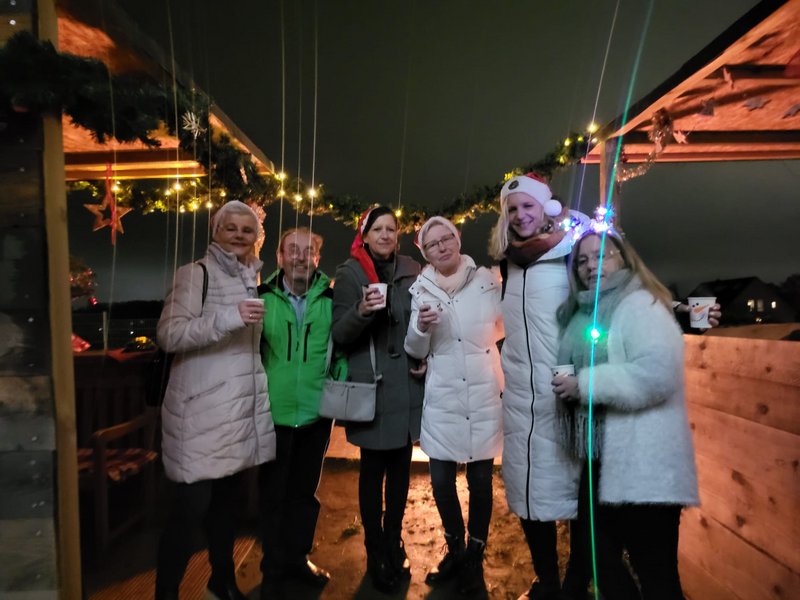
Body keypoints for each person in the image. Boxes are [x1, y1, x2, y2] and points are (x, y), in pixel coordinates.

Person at [552, 227, 699, 600]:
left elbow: (658, 374)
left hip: (644, 464)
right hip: (600, 456)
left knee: (656, 574)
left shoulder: (640, 306)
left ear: (625, 259)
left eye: (602, 255)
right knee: (599, 557)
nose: (591, 265)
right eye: (582, 260)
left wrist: (585, 385)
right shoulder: (582, 313)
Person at [154, 200, 276, 600]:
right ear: (215, 230)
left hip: (235, 414)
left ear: (256, 236)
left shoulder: (250, 278)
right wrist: (230, 317)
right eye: (231, 228)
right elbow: (169, 334)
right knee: (188, 511)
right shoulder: (195, 274)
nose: (240, 235)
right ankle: (166, 593)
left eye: (247, 229)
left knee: (226, 507)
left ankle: (222, 581)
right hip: (200, 415)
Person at [489, 173, 591, 600]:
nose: (520, 215)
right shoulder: (506, 263)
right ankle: (547, 582)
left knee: (579, 500)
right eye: (512, 209)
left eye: (528, 205)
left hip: (565, 396)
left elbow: (608, 303)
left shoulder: (573, 254)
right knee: (529, 494)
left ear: (547, 207)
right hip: (521, 401)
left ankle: (576, 584)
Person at [404, 216, 504, 595]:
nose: (442, 246)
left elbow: (502, 326)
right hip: (443, 394)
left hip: (482, 392)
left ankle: (474, 555)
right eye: (433, 244)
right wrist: (421, 328)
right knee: (442, 482)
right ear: (424, 252)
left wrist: (482, 352)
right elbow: (415, 349)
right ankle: (455, 549)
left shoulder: (486, 281)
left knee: (480, 482)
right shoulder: (421, 290)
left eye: (446, 238)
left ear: (458, 239)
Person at [331, 206, 425, 593]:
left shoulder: (412, 270)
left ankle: (393, 540)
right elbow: (340, 334)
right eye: (377, 229)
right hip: (372, 387)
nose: (385, 235)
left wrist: (425, 352)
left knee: (401, 470)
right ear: (365, 235)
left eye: (391, 229)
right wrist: (361, 310)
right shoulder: (350, 273)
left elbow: (420, 323)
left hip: (406, 386)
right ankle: (374, 549)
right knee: (372, 472)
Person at [257, 228, 344, 598]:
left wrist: (335, 383)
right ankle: (272, 567)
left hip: (315, 413)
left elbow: (342, 349)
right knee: (272, 494)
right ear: (279, 257)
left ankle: (298, 559)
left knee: (305, 493)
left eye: (309, 251)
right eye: (292, 249)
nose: (300, 257)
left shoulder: (332, 299)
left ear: (317, 259)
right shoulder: (261, 298)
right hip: (272, 412)